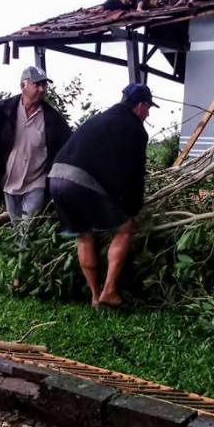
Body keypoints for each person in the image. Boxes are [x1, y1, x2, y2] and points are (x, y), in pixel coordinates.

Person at [48, 83, 156, 307]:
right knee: (124, 228)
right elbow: (134, 174)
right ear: (140, 105)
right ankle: (109, 291)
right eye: (148, 108)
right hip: (80, 181)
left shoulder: (101, 118)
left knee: (84, 235)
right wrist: (132, 209)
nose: (147, 114)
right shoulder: (135, 129)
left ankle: (95, 297)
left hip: (56, 177)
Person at [0, 66, 72, 223]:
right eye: (37, 84)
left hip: (37, 181)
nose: (42, 89)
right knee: (17, 225)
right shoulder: (3, 110)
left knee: (28, 224)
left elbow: (69, 145)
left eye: (44, 85)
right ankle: (23, 248)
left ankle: (25, 246)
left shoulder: (52, 118)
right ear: (23, 86)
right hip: (8, 181)